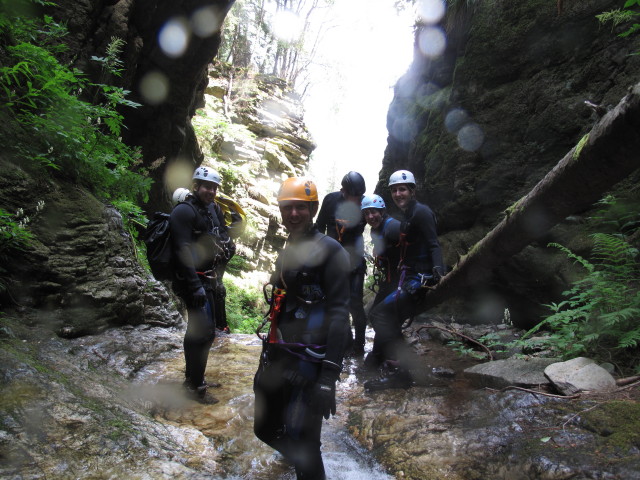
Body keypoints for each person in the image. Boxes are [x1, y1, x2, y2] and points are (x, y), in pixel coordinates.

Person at [254, 177, 350, 480]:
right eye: (287, 208)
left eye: (300, 208)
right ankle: (299, 459)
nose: (293, 214)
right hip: (279, 353)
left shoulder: (332, 252)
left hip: (310, 362)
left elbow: (339, 315)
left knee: (306, 443)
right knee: (264, 427)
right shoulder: (289, 248)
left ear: (312, 210)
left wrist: (328, 378)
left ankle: (306, 463)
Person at [364, 170, 445, 391]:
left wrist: (438, 270)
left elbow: (433, 243)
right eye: (394, 190)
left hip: (419, 279)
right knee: (383, 315)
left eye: (402, 189)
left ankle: (401, 371)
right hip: (408, 277)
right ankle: (393, 365)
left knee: (380, 314)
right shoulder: (409, 214)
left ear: (412, 190)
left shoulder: (421, 212)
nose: (398, 193)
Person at [170, 166, 232, 403]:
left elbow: (221, 234)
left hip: (209, 279)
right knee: (204, 332)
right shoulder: (184, 212)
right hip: (193, 281)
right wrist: (194, 286)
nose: (211, 191)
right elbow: (181, 249)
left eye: (215, 187)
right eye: (207, 186)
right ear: (196, 186)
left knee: (204, 331)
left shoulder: (212, 210)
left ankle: (194, 378)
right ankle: (195, 386)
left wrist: (229, 243)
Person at [315, 171, 367, 355]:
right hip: (333, 261)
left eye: (358, 198)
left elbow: (379, 220)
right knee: (335, 304)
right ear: (342, 191)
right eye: (352, 197)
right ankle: (344, 343)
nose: (355, 201)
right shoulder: (331, 201)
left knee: (355, 303)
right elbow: (319, 227)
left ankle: (359, 346)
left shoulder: (364, 204)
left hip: (355, 261)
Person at [360, 193, 402, 369]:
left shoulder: (392, 227)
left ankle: (391, 355)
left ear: (382, 211)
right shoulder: (377, 229)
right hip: (390, 280)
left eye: (374, 212)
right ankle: (385, 353)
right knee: (378, 315)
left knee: (379, 315)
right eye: (367, 213)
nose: (371, 216)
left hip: (401, 280)